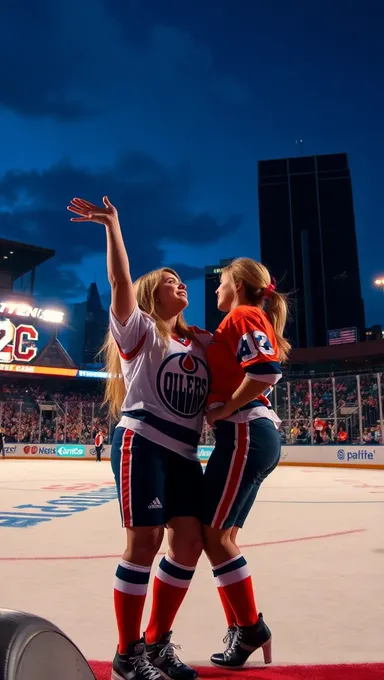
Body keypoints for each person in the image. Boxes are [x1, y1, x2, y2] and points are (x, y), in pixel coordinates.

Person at [67, 196, 211, 680]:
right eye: (171, 282)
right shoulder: (141, 331)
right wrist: (113, 226)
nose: (181, 284)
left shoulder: (197, 343)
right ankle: (127, 655)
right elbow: (119, 282)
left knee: (189, 543)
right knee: (145, 542)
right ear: (153, 296)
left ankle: (156, 643)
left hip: (186, 454)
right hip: (144, 442)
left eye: (182, 279)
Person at [201, 257, 290, 669]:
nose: (216, 289)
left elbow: (266, 371)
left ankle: (251, 628)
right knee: (223, 539)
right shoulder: (242, 316)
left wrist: (225, 409)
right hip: (252, 434)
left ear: (236, 283)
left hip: (244, 431)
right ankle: (243, 629)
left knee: (214, 537)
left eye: (220, 282)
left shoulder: (242, 314)